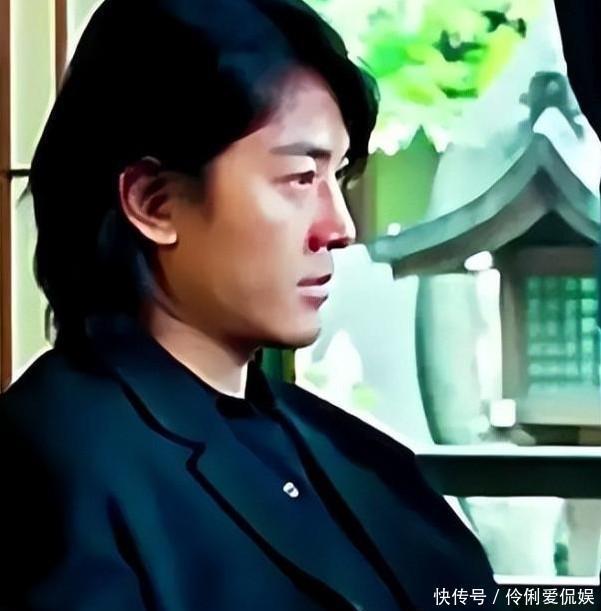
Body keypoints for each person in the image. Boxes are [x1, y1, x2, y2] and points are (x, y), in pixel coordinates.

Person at [0, 0, 503, 609]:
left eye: (339, 178)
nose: (339, 227)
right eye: (300, 178)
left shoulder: (367, 462)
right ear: (154, 202)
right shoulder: (47, 469)